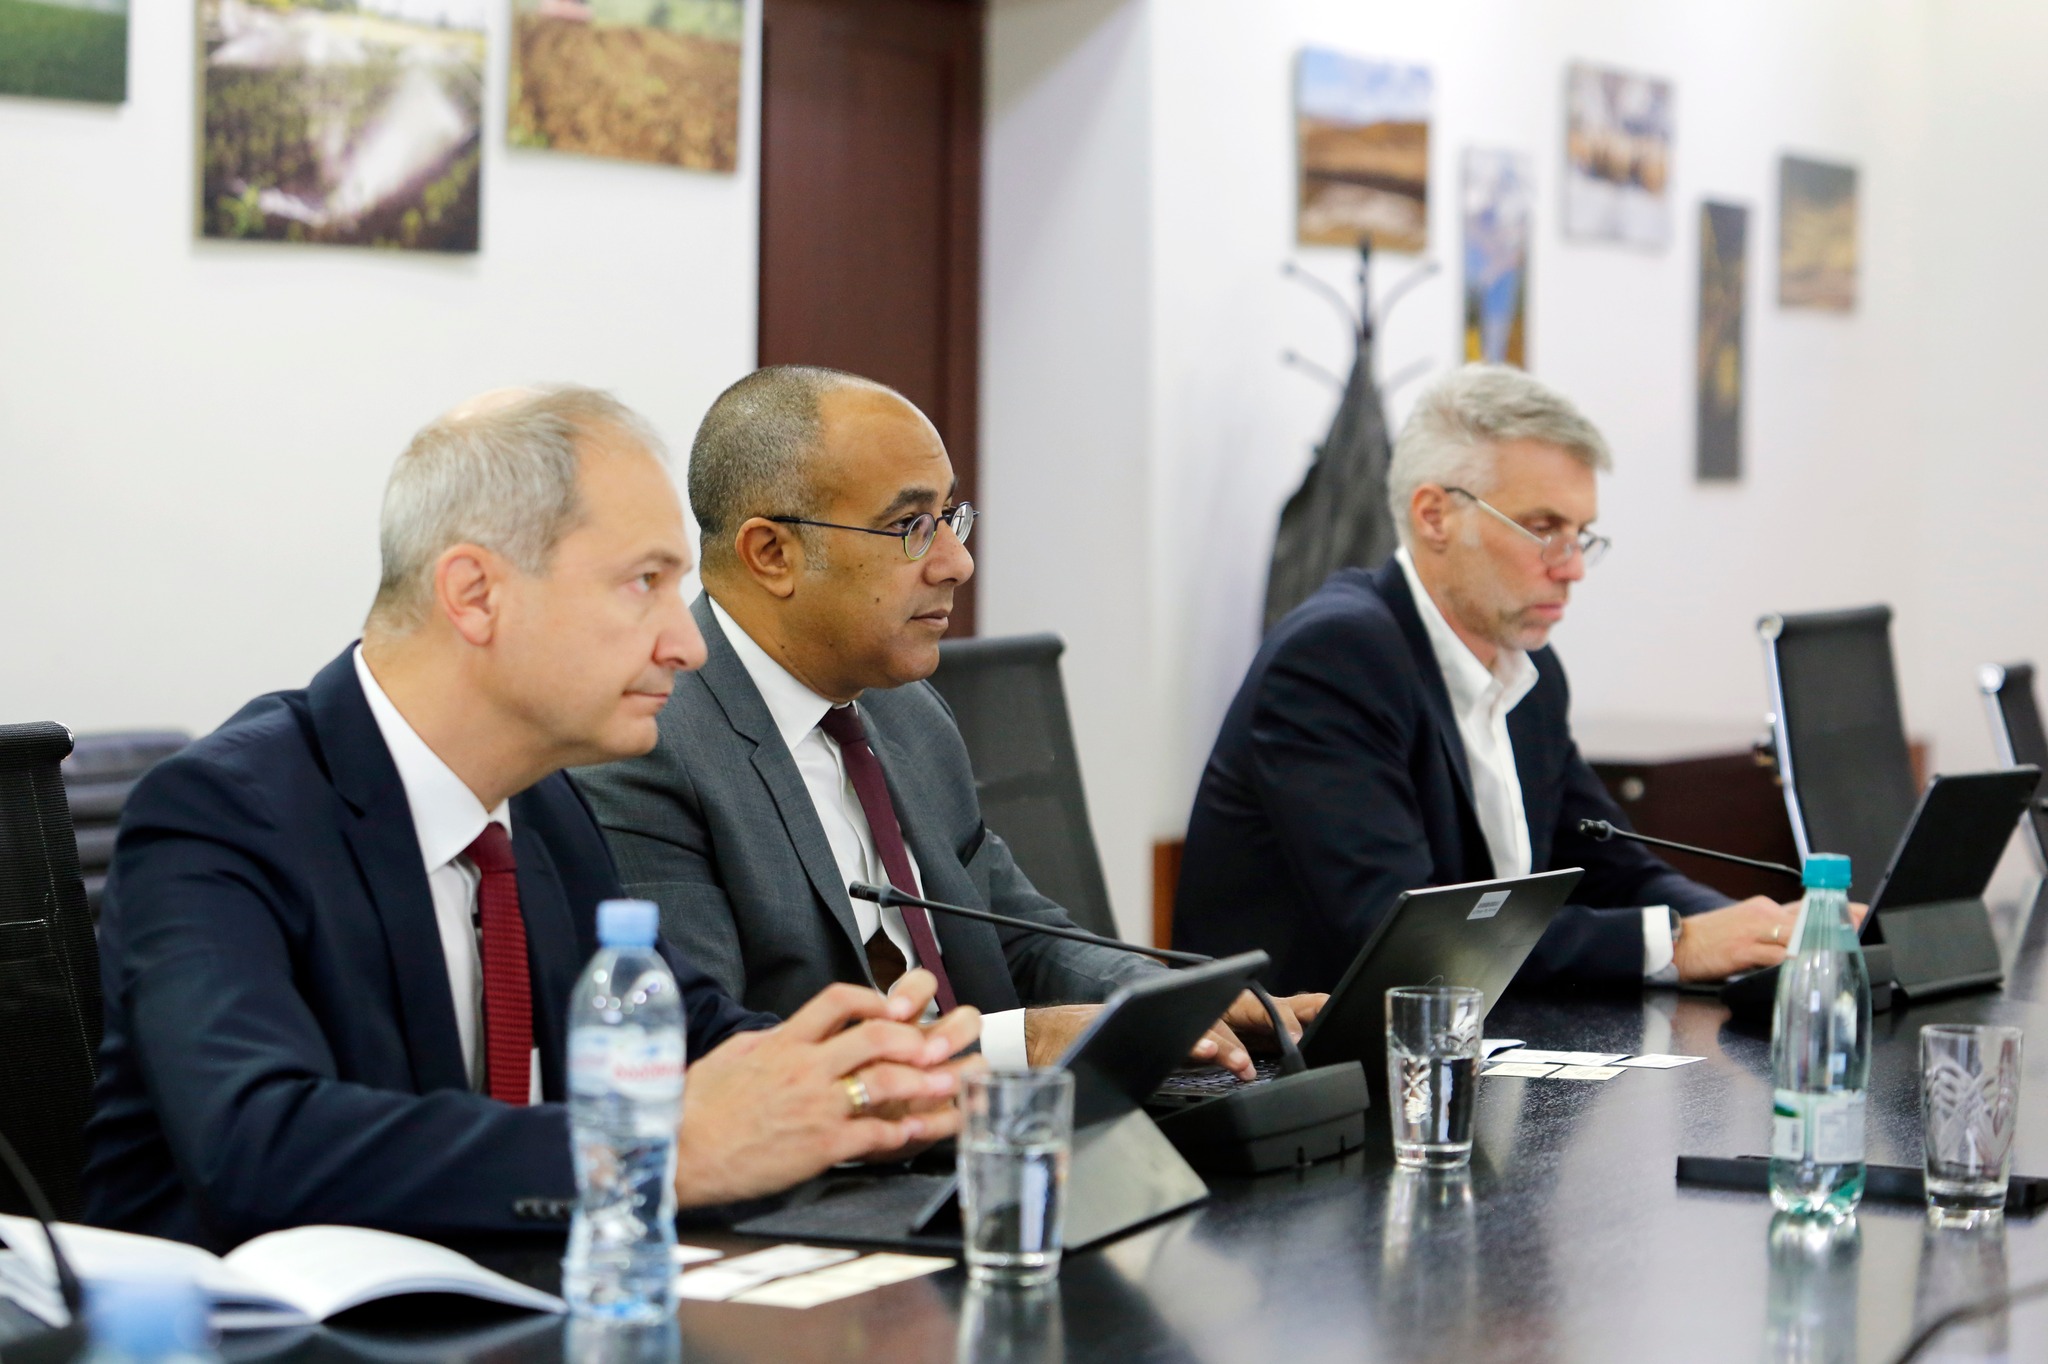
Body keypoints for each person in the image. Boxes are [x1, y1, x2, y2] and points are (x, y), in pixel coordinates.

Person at [84, 386, 979, 1252]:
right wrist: (653, 1151)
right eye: (643, 583)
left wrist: (863, 1080)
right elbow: (259, 1144)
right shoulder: (222, 811)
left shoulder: (540, 804)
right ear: (475, 594)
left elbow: (685, 1033)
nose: (687, 644)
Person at [577, 366, 1319, 1075]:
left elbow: (1018, 939)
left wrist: (1168, 1001)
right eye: (910, 525)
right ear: (773, 553)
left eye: (950, 519)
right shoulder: (648, 744)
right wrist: (1020, 1042)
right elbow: (708, 1055)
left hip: (999, 1128)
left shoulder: (909, 715)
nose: (957, 562)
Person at [1174, 364, 1811, 994]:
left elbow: (1612, 868)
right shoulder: (1335, 659)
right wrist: (1676, 941)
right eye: (1544, 529)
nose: (1573, 569)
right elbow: (1408, 939)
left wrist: (1764, 933)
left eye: (1581, 535)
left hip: (1470, 1034)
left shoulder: (1529, 669)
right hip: (1298, 1049)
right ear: (1435, 516)